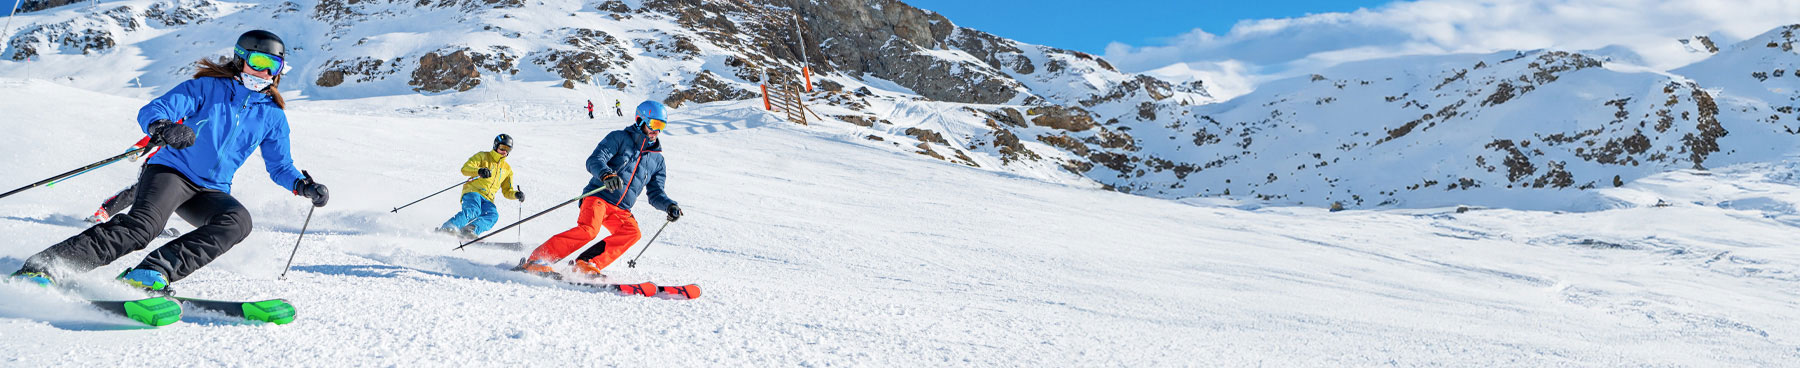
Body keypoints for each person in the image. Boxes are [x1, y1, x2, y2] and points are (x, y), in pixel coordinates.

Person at [8, 30, 330, 292]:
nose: (265, 72)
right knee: (141, 228)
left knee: (238, 221)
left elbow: (279, 166)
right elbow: (155, 109)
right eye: (259, 61)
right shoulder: (207, 87)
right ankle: (47, 266)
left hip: (210, 190)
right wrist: (164, 128)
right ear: (240, 59)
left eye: (273, 66)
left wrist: (302, 185)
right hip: (171, 171)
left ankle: (152, 272)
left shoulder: (272, 116)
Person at [519, 101, 682, 277]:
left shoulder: (657, 161)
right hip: (598, 196)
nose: (657, 131)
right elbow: (595, 159)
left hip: (621, 209)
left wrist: (669, 205)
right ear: (640, 120)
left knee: (632, 233)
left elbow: (656, 193)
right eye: (655, 124)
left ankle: (587, 263)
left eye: (662, 126)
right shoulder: (619, 138)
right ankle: (538, 259)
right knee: (589, 230)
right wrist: (606, 175)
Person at [438, 134, 524, 238]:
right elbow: (465, 169)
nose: (504, 151)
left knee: (492, 215)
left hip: (488, 199)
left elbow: (507, 191)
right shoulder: (483, 156)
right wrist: (479, 171)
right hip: (473, 191)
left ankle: (470, 230)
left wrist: (516, 194)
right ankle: (449, 227)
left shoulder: (507, 169)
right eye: (502, 147)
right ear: (496, 146)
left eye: (508, 149)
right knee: (473, 210)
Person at [85, 135, 163, 223]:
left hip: (176, 173)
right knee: (141, 190)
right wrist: (137, 148)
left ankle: (152, 225)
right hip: (156, 165)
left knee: (165, 198)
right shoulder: (178, 124)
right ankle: (105, 211)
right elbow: (156, 135)